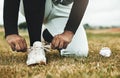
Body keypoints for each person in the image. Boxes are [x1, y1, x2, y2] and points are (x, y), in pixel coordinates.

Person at [3, 0, 89, 65]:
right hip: (32, 3)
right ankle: (35, 44)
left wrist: (69, 32)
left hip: (62, 5)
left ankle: (45, 34)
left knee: (78, 51)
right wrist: (11, 31)